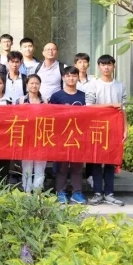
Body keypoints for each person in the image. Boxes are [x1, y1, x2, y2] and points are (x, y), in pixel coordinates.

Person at [85, 55, 127, 207]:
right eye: (103, 65)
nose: (106, 67)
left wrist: (125, 129)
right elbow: (89, 106)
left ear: (114, 66)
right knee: (97, 161)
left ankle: (109, 193)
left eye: (109, 64)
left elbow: (123, 109)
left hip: (114, 128)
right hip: (97, 127)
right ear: (99, 67)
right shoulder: (93, 85)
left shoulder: (120, 86)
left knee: (111, 161)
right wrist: (110, 106)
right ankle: (97, 193)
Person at [48, 66, 87, 205]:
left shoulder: (84, 96)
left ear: (78, 77)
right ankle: (61, 192)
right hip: (61, 136)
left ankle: (77, 192)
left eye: (74, 76)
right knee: (62, 166)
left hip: (78, 136)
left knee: (77, 167)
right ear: (63, 78)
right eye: (68, 75)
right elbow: (50, 116)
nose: (71, 78)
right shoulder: (56, 96)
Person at [17, 74, 46, 193]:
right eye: (31, 83)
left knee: (40, 165)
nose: (34, 86)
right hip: (26, 136)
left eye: (37, 83)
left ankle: (37, 191)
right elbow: (14, 118)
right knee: (27, 166)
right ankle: (27, 191)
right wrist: (21, 109)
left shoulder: (45, 101)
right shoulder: (20, 100)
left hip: (41, 135)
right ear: (27, 85)